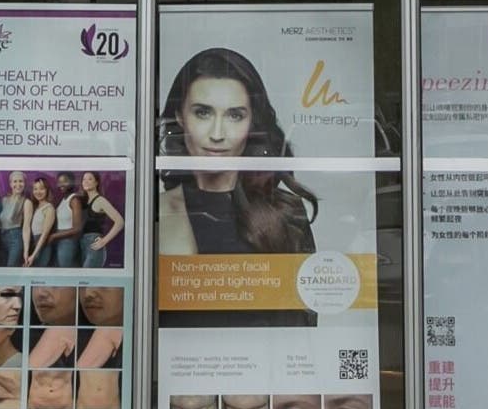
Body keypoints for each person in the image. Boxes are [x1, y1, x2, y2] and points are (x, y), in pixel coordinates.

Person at [156, 48, 319, 258]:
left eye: (235, 115)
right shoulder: (155, 210)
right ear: (180, 117)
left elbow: (303, 289)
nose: (217, 134)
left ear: (252, 122)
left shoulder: (284, 212)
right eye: (203, 113)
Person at [76, 170, 125, 265]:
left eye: (90, 179)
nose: (86, 181)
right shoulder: (83, 201)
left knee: (88, 276)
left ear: (96, 182)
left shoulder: (100, 200)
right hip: (82, 245)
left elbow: (120, 222)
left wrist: (104, 241)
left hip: (94, 245)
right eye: (84, 179)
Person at [48, 176, 84, 270]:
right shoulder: (63, 200)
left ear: (72, 182)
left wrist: (54, 236)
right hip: (59, 241)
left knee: (65, 272)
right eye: (59, 182)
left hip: (68, 242)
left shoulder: (74, 200)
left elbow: (78, 228)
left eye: (65, 181)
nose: (61, 185)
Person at [21, 177, 56, 267]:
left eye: (42, 188)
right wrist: (26, 251)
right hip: (33, 243)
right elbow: (26, 227)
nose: (38, 192)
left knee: (40, 276)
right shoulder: (35, 206)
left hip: (42, 246)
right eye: (35, 189)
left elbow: (44, 234)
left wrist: (34, 255)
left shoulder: (49, 208)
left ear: (47, 190)